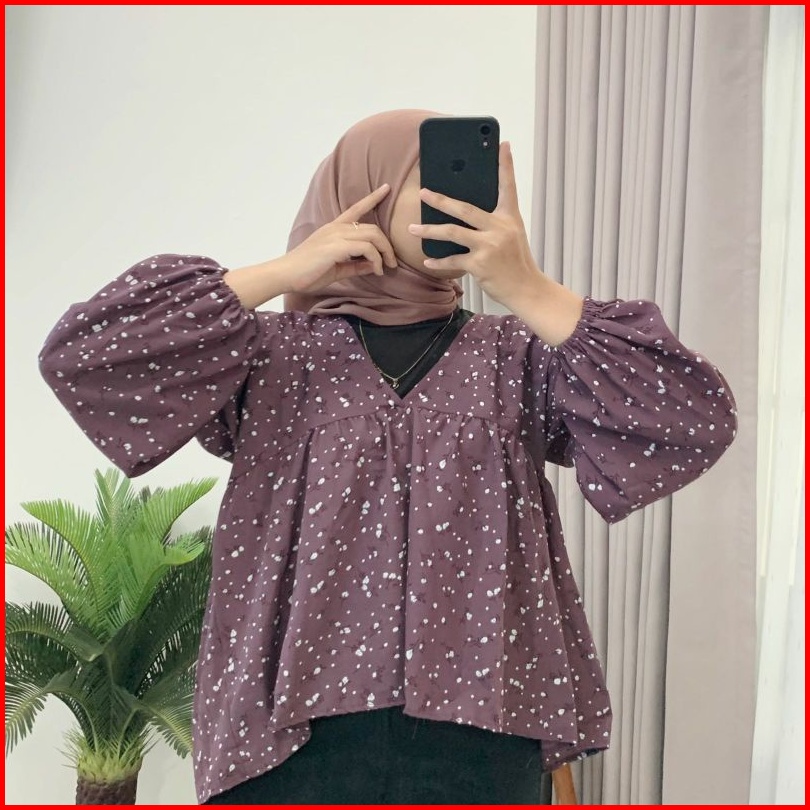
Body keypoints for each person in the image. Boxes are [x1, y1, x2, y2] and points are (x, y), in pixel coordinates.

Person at [38, 109, 737, 805]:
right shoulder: (268, 355)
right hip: (290, 735)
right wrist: (288, 270)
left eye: (472, 186)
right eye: (427, 181)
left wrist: (527, 286)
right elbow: (85, 358)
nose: (456, 202)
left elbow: (694, 418)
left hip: (483, 733)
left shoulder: (517, 358)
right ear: (362, 194)